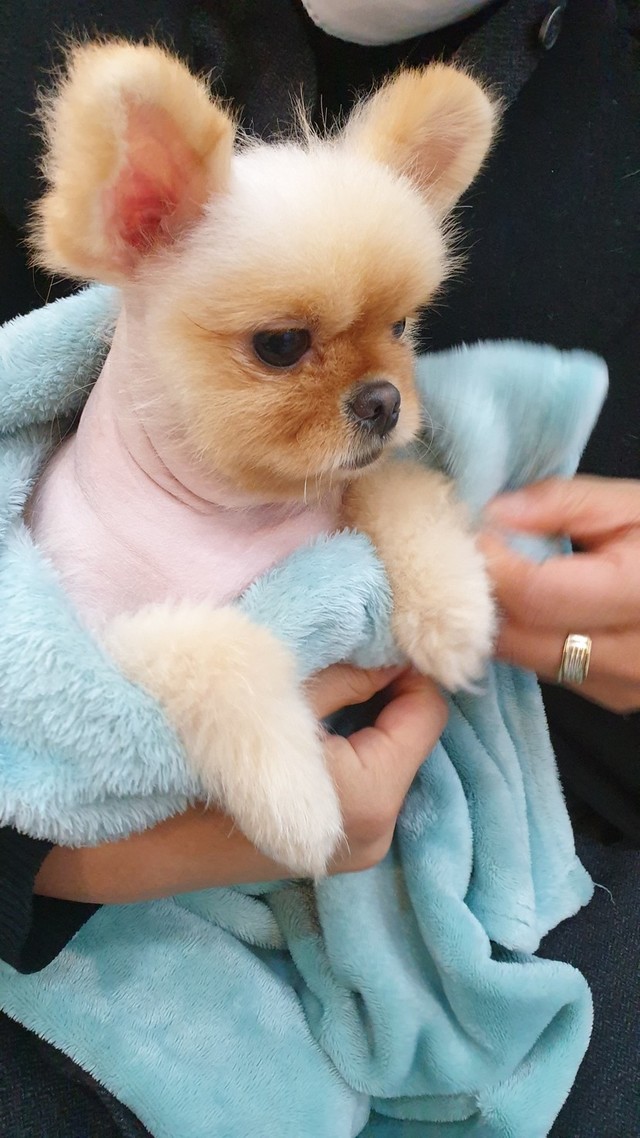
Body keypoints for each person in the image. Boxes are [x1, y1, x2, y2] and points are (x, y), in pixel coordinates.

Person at [0, 2, 638, 1135]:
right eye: (283, 346)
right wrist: (96, 863)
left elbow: (400, 489)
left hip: (541, 841)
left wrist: (498, 598)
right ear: (130, 218)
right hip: (81, 920)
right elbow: (91, 680)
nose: (375, 388)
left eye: (398, 326)